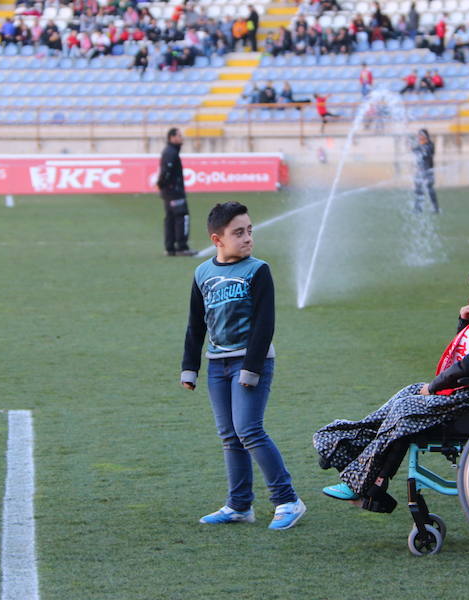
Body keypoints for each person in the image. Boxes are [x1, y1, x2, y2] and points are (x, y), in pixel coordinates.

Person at [315, 262, 469, 501]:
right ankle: (349, 448)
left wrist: (435, 386)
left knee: (406, 410)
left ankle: (361, 473)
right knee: (408, 394)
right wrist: (465, 323)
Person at [181, 201, 306, 530]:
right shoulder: (202, 273)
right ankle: (239, 505)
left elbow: (265, 324)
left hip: (251, 364)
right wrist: (189, 368)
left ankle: (288, 500)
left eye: (250, 230)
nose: (248, 237)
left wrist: (251, 369)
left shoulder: (258, 270)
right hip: (216, 366)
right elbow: (197, 324)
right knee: (229, 436)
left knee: (249, 430)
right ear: (217, 239)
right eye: (238, 233)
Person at [157, 128, 195, 257]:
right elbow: (166, 172)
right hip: (174, 192)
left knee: (171, 218)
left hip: (169, 191)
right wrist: (162, 185)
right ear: (172, 138)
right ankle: (181, 247)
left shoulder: (170, 151)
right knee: (182, 216)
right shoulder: (171, 152)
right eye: (179, 136)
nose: (182, 138)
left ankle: (170, 248)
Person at [411, 129, 438, 213]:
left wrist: (419, 146)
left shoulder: (430, 145)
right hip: (420, 172)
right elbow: (414, 151)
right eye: (419, 135)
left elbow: (427, 154)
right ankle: (418, 208)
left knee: (430, 189)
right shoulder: (420, 146)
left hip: (428, 171)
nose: (419, 137)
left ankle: (435, 208)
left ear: (426, 136)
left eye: (421, 135)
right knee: (419, 190)